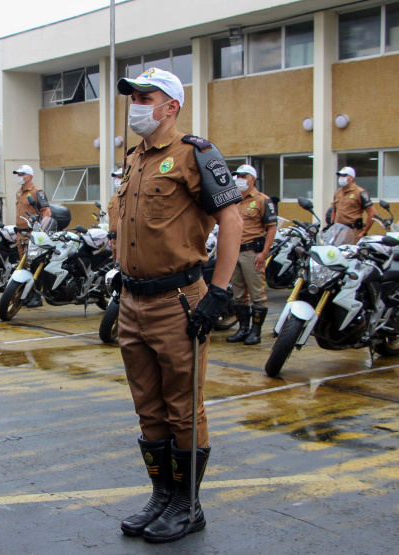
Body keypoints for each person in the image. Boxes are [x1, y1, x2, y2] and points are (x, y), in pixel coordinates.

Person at [115, 68, 242, 543]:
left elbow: (231, 221)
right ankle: (162, 496)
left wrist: (221, 291)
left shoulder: (195, 154)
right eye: (133, 97)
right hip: (132, 299)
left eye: (146, 97)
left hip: (178, 301)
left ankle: (189, 506)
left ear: (171, 106)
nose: (137, 105)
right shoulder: (134, 159)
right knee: (147, 406)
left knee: (184, 408)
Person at [226, 165, 277, 345]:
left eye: (243, 176)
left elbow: (271, 227)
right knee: (239, 295)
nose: (239, 178)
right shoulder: (234, 200)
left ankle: (256, 333)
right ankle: (243, 329)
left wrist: (264, 253)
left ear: (252, 179)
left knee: (257, 294)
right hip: (234, 252)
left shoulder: (262, 200)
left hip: (252, 253)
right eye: (237, 175)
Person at [13, 164, 51, 307]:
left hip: (32, 234)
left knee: (35, 265)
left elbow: (46, 212)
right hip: (20, 234)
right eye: (18, 174)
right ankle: (26, 295)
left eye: (22, 174)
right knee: (24, 266)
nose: (19, 177)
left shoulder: (37, 192)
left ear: (30, 176)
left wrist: (40, 232)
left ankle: (36, 296)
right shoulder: (18, 193)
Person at [331, 166, 376, 243]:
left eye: (344, 175)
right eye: (341, 175)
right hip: (338, 231)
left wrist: (364, 232)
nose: (341, 178)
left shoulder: (360, 192)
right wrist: (331, 227)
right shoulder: (337, 192)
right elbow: (334, 210)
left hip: (352, 231)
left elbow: (372, 213)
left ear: (352, 178)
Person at [108, 168, 123, 261]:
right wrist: (110, 237)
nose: (117, 180)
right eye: (116, 177)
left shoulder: (130, 196)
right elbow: (111, 218)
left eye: (120, 177)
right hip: (114, 240)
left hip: (124, 240)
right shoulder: (114, 196)